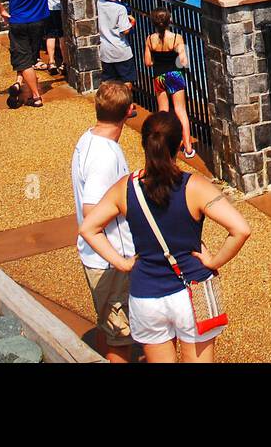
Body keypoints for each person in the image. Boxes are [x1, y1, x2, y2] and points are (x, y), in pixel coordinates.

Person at [79, 111, 252, 363]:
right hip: (193, 289)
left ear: (144, 145)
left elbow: (89, 228)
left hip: (146, 294)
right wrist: (214, 262)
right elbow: (241, 229)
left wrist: (122, 263)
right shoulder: (195, 186)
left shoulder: (126, 188)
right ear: (180, 145)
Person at [71, 81, 139, 363]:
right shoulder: (105, 156)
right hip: (110, 259)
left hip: (98, 258)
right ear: (128, 113)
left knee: (107, 325)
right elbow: (92, 211)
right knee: (120, 336)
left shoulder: (88, 139)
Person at [144, 7, 194, 158]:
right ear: (169, 21)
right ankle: (188, 147)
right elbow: (184, 61)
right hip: (174, 74)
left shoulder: (150, 39)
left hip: (159, 76)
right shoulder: (176, 38)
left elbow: (148, 62)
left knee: (163, 112)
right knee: (181, 111)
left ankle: (164, 145)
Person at [97, 0, 136, 88]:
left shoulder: (99, 2)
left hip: (106, 51)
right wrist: (132, 23)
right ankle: (127, 103)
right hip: (121, 51)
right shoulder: (120, 9)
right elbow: (125, 31)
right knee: (127, 80)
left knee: (108, 81)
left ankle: (108, 103)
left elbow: (111, 1)